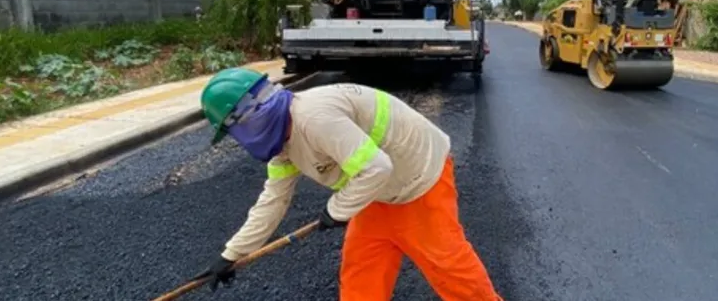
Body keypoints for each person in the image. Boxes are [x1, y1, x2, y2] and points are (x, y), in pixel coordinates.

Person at [195, 68, 502, 300]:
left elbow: (377, 167)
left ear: (248, 118)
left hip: (417, 178)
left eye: (233, 131)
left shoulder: (313, 118)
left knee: (448, 266)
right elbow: (273, 201)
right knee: (361, 271)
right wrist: (232, 255)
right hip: (373, 192)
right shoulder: (282, 143)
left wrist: (337, 210)